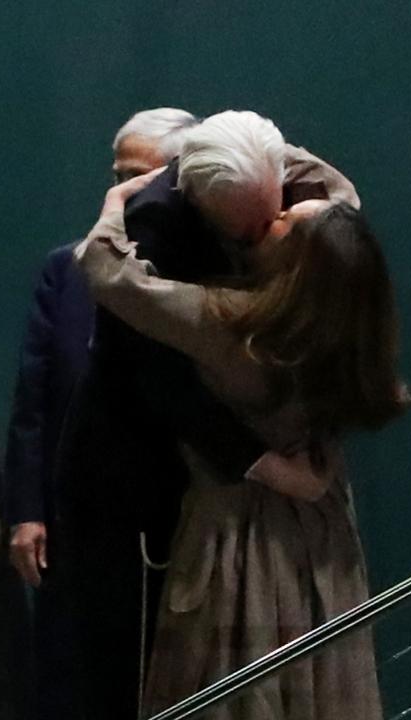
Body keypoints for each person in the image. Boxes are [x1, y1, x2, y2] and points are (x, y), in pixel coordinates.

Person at [55, 109, 362, 719]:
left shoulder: (241, 305)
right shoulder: (299, 290)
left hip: (237, 504)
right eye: (252, 227)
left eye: (274, 218)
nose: (265, 230)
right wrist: (268, 466)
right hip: (162, 490)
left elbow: (105, 269)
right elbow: (154, 377)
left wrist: (112, 206)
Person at [2, 106, 198, 720]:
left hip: (165, 519)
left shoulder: (197, 275)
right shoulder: (68, 268)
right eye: (119, 174)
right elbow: (35, 398)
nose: (124, 191)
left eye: (143, 176)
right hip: (74, 519)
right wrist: (28, 512)